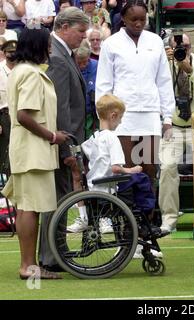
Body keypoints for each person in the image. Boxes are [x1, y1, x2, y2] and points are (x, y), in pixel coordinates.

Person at [1, 25, 69, 280]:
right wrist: (53, 136)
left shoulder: (20, 71)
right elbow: (24, 115)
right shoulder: (30, 74)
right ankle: (28, 267)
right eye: (47, 44)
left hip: (28, 151)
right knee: (30, 208)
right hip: (32, 153)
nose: (50, 49)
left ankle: (28, 265)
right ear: (38, 47)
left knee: (27, 208)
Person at [96, 0, 175, 189]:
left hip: (150, 115)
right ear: (123, 19)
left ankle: (150, 215)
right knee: (127, 167)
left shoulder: (155, 41)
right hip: (122, 118)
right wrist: (104, 119)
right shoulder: (111, 44)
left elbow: (164, 81)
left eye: (142, 19)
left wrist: (168, 118)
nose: (138, 23)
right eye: (133, 20)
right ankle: (129, 215)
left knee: (149, 168)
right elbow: (104, 84)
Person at [38, 7, 90, 272]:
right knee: (57, 199)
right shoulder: (58, 57)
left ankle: (55, 251)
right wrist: (67, 148)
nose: (83, 38)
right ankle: (51, 255)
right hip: (62, 141)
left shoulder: (62, 54)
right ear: (65, 27)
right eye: (80, 32)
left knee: (59, 197)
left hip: (65, 138)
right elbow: (59, 108)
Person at [158, 33, 194, 233]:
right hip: (172, 126)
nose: (184, 50)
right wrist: (165, 60)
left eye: (187, 46)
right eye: (179, 47)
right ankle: (168, 220)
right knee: (167, 168)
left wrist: (191, 71)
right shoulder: (165, 64)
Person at [66, 94, 143, 233]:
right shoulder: (112, 138)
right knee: (139, 182)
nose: (120, 123)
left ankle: (84, 217)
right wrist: (131, 170)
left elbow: (84, 155)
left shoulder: (94, 137)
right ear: (113, 116)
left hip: (91, 186)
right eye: (120, 118)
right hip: (107, 190)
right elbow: (115, 168)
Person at [74, 39, 99, 139]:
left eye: (86, 62)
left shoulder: (96, 65)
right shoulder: (69, 66)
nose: (83, 66)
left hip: (93, 115)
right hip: (76, 116)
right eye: (79, 63)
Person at [0, 39, 16, 169]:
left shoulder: (23, 68)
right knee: (4, 150)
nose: (13, 54)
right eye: (10, 52)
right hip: (4, 115)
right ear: (4, 53)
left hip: (20, 113)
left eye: (15, 52)